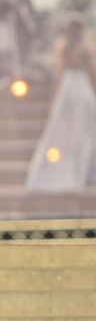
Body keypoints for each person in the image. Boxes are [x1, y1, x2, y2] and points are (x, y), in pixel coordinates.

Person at [26, 13, 96, 192]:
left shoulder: (63, 46)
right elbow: (92, 72)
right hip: (82, 87)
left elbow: (59, 73)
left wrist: (54, 97)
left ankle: (74, 171)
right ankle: (84, 171)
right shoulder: (86, 47)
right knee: (85, 130)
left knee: (66, 131)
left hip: (68, 86)